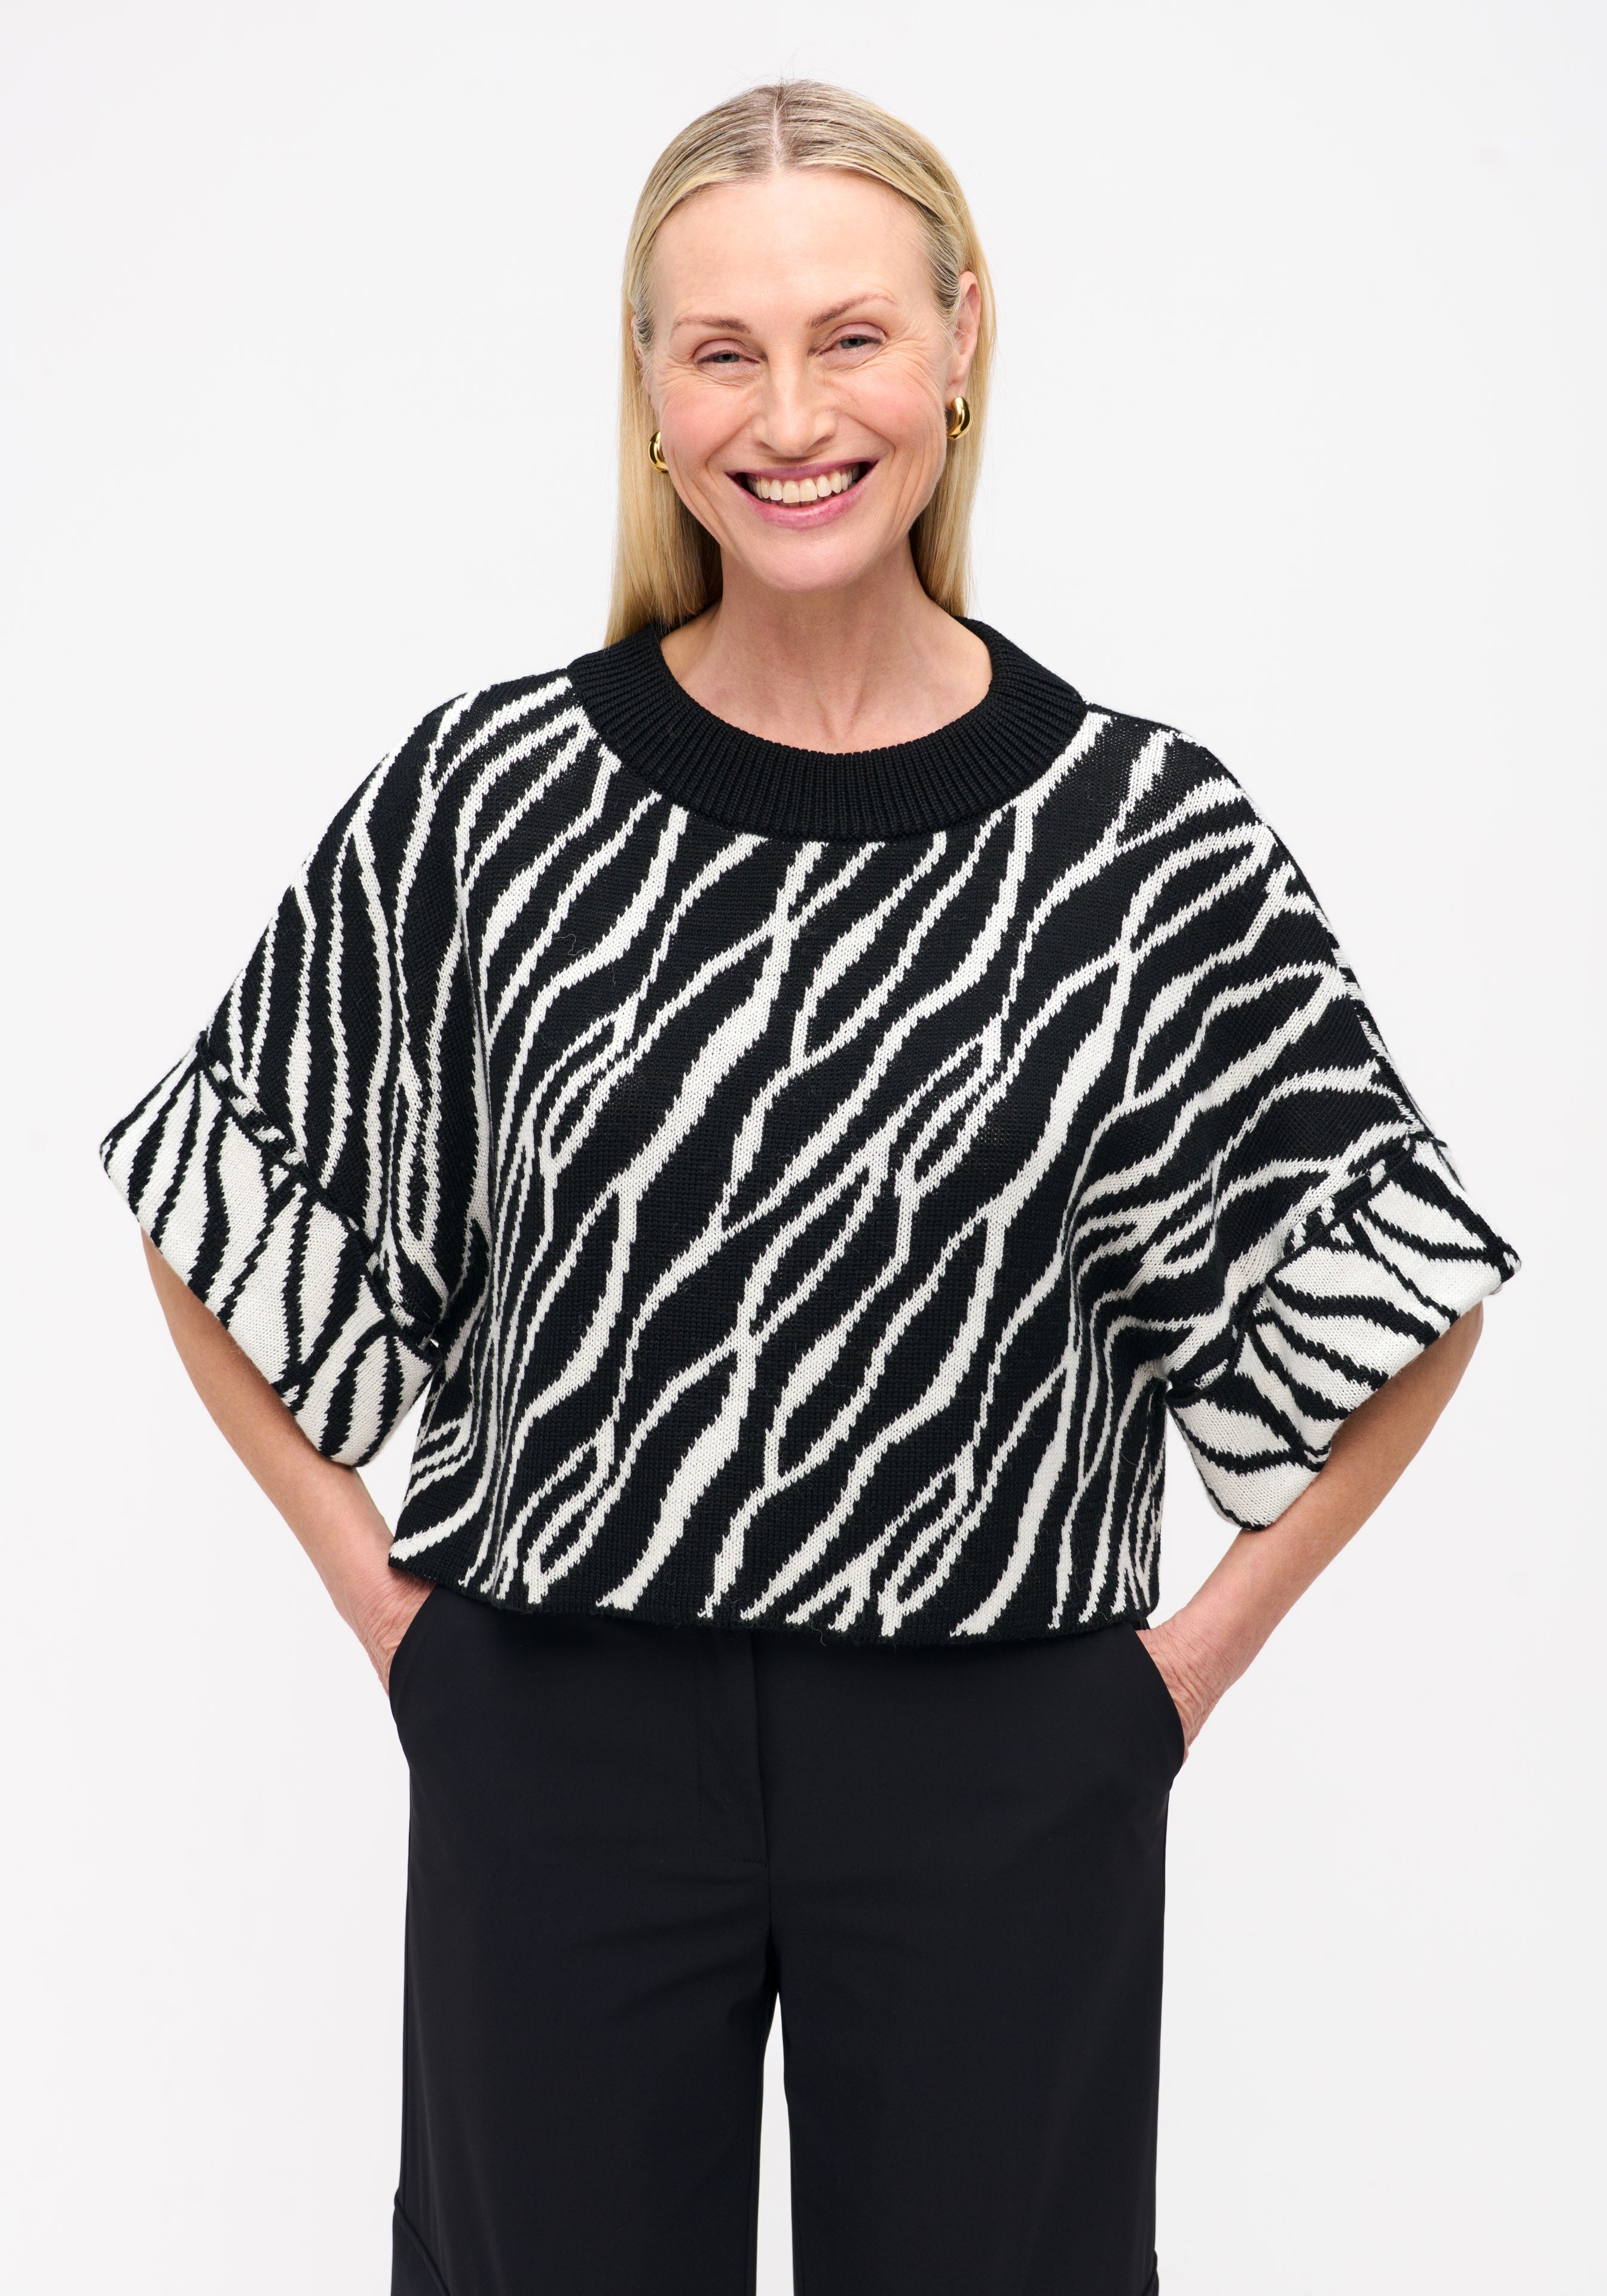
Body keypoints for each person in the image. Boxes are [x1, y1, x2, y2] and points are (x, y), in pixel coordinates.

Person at [100, 79, 1518, 2296]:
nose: (789, 417)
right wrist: (401, 1628)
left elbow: (1398, 1285)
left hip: (998, 1749)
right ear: (649, 389)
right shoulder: (493, 804)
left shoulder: (1140, 844)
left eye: (849, 336)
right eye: (722, 351)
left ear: (962, 342)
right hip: (558, 1730)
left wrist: (1166, 1689)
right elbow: (223, 1199)